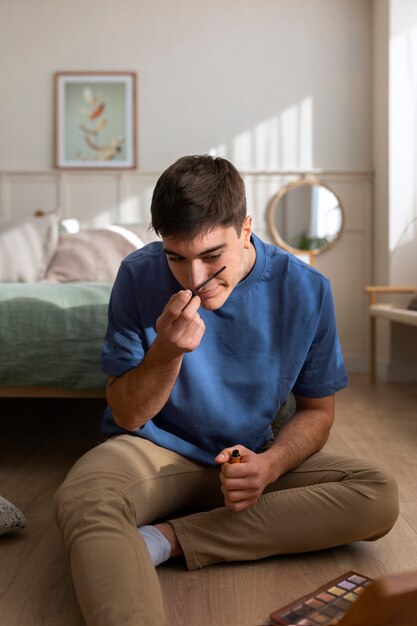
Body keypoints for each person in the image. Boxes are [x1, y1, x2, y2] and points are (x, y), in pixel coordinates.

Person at [55, 155, 399, 626]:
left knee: (377, 492)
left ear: (245, 230)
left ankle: (165, 539)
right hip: (153, 452)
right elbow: (128, 414)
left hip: (247, 457)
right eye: (176, 257)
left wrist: (269, 465)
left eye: (212, 256)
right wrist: (166, 354)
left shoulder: (307, 289)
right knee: (84, 498)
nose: (194, 279)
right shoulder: (137, 275)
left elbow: (318, 411)